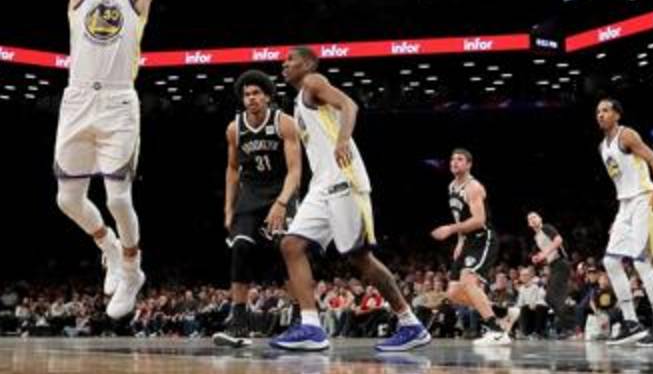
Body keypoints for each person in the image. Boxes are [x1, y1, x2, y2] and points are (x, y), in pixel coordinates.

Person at [54, 0, 177, 319]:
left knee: (119, 195)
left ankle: (131, 268)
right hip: (78, 100)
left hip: (120, 104)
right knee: (67, 198)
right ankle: (106, 245)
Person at [271, 47, 431, 352]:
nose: (284, 63)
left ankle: (411, 323)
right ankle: (311, 327)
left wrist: (344, 139)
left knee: (360, 257)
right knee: (291, 245)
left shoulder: (313, 82)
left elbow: (349, 105)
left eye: (290, 59)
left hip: (345, 180)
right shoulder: (297, 101)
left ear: (307, 64)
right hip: (322, 185)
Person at [213, 70, 304, 348]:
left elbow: (295, 170)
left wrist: (282, 203)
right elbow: (231, 169)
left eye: (256, 93)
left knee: (285, 250)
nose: (251, 98)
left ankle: (303, 318)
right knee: (240, 248)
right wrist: (229, 207)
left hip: (280, 193)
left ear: (267, 96)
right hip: (250, 196)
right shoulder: (234, 128)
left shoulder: (284, 123)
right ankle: (238, 321)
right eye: (246, 94)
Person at [595, 99, 653, 346]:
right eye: (597, 112)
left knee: (642, 263)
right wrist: (621, 216)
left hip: (645, 199)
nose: (600, 115)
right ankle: (631, 323)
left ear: (617, 115)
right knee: (610, 261)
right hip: (626, 204)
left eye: (605, 110)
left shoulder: (627, 135)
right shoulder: (602, 147)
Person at [432, 149, 509, 344]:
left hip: (483, 237)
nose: (454, 162)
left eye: (459, 159)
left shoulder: (473, 187)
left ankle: (496, 330)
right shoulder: (451, 187)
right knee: (454, 294)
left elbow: (479, 220)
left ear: (468, 165)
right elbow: (461, 217)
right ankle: (503, 312)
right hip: (468, 241)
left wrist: (450, 229)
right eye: (452, 159)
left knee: (468, 280)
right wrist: (459, 240)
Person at [528, 211, 575, 337]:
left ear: (540, 219)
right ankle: (568, 326)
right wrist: (539, 257)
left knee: (555, 297)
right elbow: (547, 252)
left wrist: (544, 254)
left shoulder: (546, 228)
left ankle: (571, 327)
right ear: (529, 224)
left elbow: (558, 240)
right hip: (554, 266)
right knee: (549, 298)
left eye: (534, 217)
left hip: (561, 263)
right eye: (530, 219)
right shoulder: (536, 237)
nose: (532, 219)